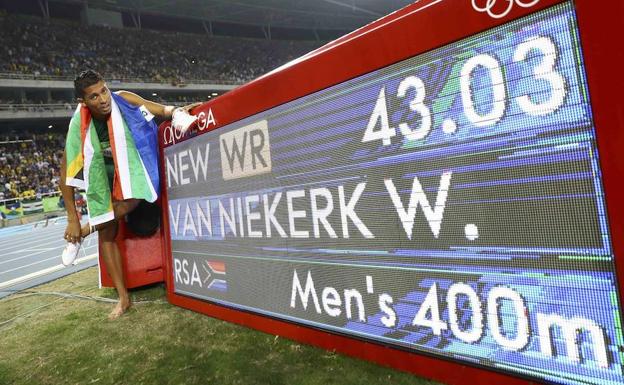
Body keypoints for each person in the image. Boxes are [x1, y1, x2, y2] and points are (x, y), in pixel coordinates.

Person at [60, 70, 200, 319]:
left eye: (104, 90)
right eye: (94, 96)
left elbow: (161, 110)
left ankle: (82, 233)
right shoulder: (77, 125)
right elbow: (66, 175)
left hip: (138, 174)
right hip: (106, 178)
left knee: (134, 208)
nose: (103, 99)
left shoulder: (123, 99)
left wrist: (180, 111)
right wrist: (72, 216)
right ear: (83, 102)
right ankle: (124, 299)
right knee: (108, 231)